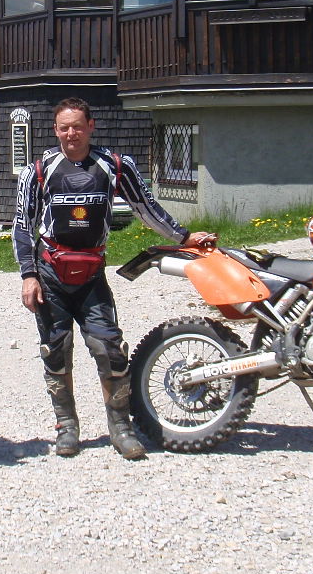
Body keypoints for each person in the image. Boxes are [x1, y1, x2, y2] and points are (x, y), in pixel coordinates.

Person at [13, 97, 215, 460]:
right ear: (55, 130)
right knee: (55, 352)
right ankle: (67, 428)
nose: (71, 134)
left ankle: (121, 428)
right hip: (50, 274)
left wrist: (184, 237)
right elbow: (22, 227)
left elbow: (146, 208)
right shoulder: (38, 170)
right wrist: (29, 276)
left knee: (111, 351)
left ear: (91, 126)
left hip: (92, 275)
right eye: (64, 127)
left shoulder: (115, 165)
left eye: (78, 126)